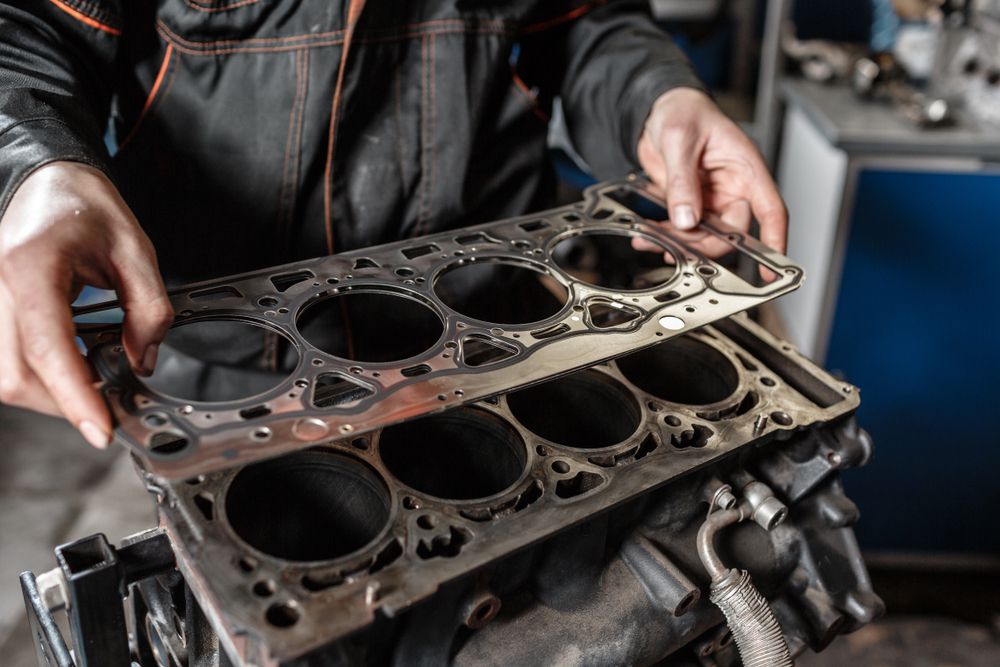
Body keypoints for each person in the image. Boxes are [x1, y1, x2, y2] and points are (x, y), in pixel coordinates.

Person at [0, 0, 787, 449]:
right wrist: (33, 170)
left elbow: (583, 25)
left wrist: (656, 94)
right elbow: (27, 34)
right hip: (237, 378)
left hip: (502, 342)